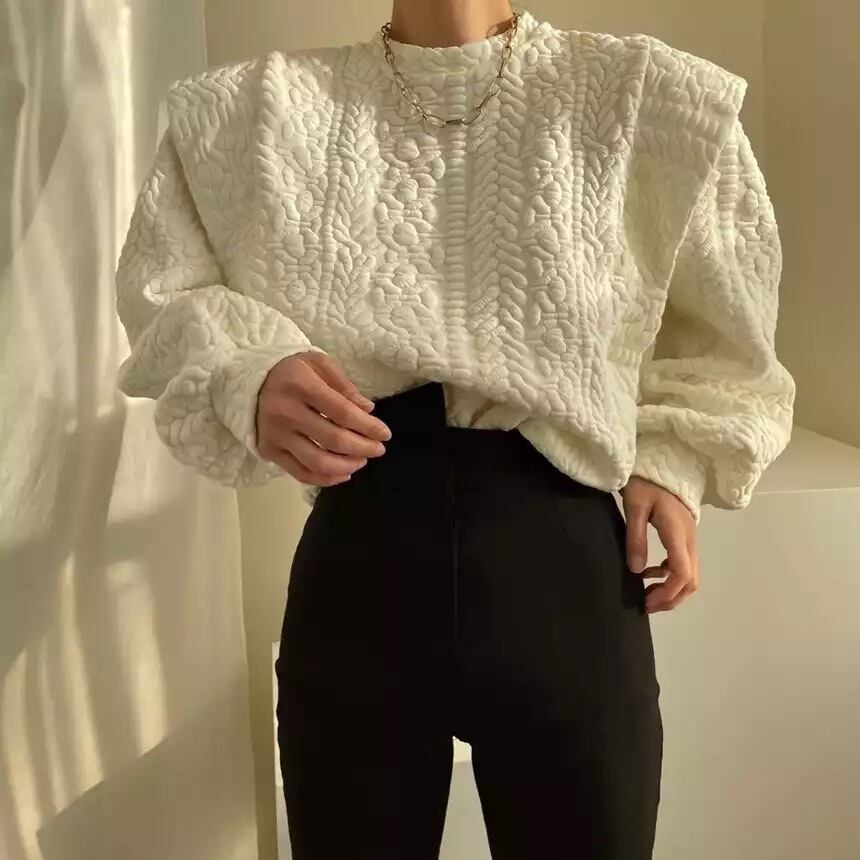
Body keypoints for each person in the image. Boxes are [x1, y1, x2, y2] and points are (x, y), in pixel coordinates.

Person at [114, 2, 795, 857]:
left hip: (566, 567)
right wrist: (245, 371)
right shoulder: (250, 111)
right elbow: (164, 292)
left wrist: (673, 458)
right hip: (361, 565)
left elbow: (726, 329)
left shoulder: (649, 95)